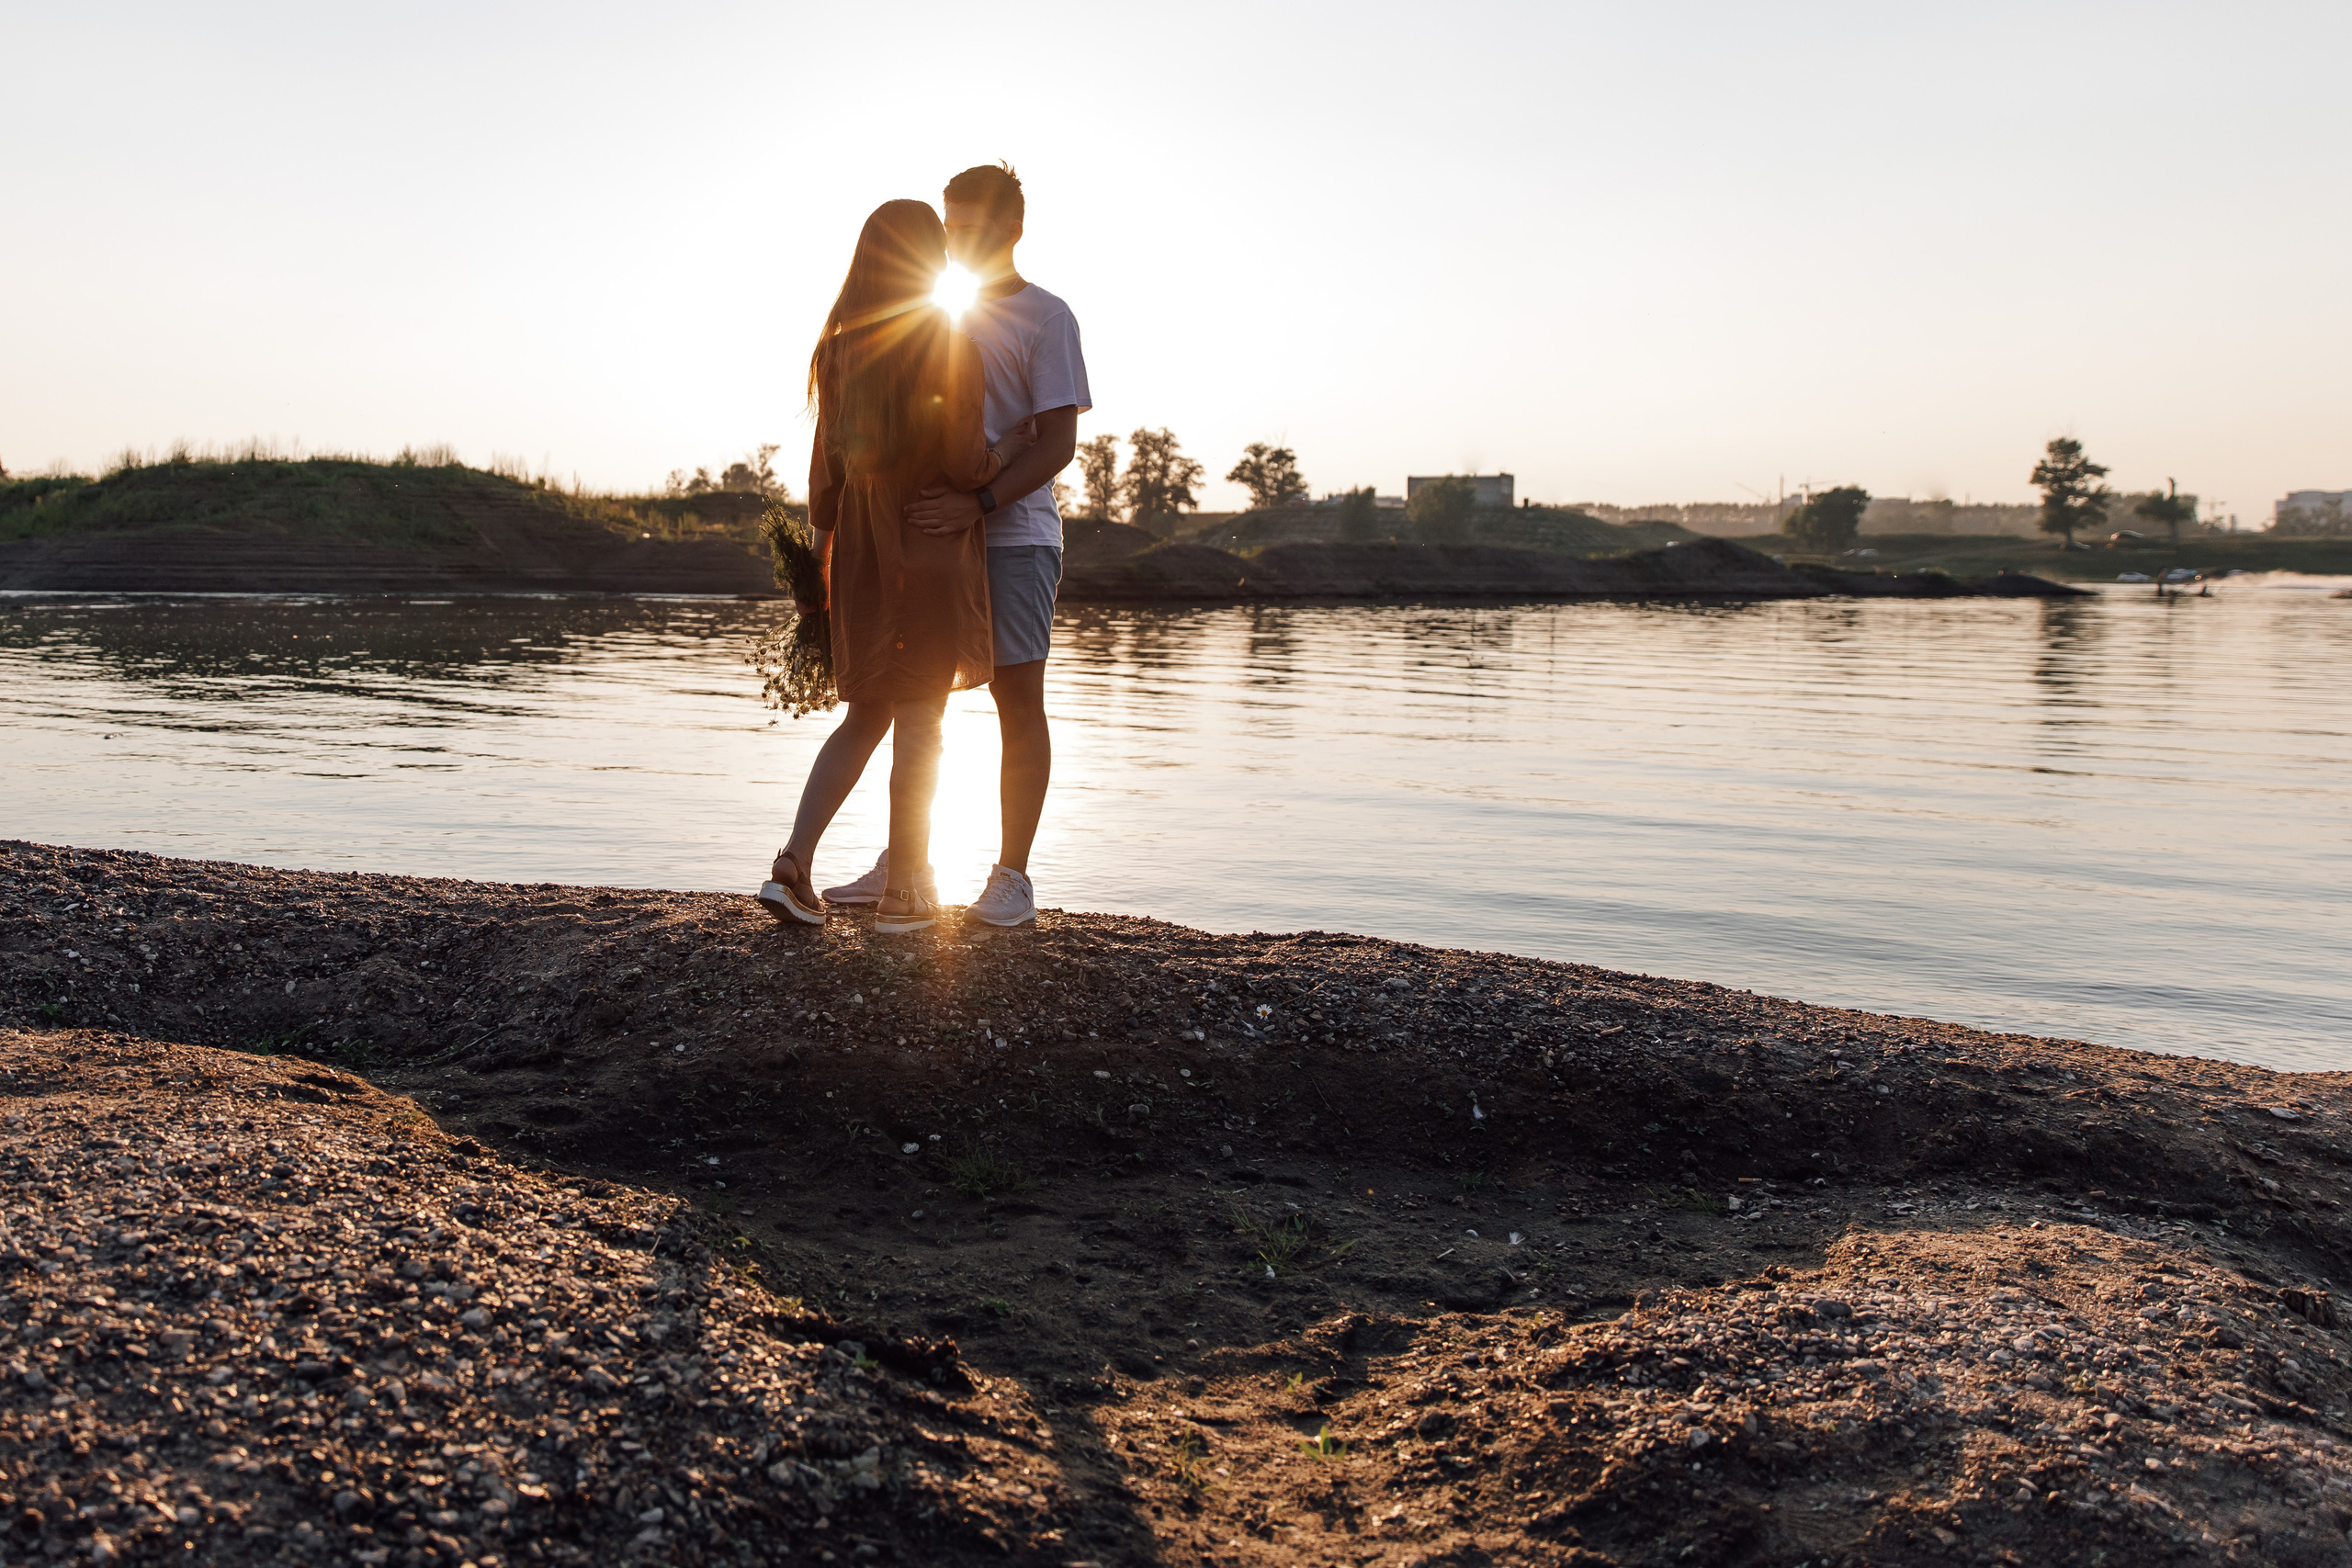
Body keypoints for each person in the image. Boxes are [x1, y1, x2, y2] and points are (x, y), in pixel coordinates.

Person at [823, 162, 1090, 929]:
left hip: (1012, 538)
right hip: (930, 545)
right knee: (917, 700)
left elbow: (1058, 443)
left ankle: (1012, 878)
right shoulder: (934, 313)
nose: (956, 239)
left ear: (1012, 230)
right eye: (949, 225)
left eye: (972, 226)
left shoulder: (1047, 317)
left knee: (1017, 699)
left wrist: (978, 501)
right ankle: (905, 865)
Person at [759, 199, 1032, 934]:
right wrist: (1008, 451)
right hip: (928, 540)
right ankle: (905, 894)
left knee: (865, 714)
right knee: (920, 719)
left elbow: (825, 478)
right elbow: (964, 462)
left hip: (860, 554)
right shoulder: (948, 344)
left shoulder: (838, 351)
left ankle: (793, 864)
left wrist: (816, 567)